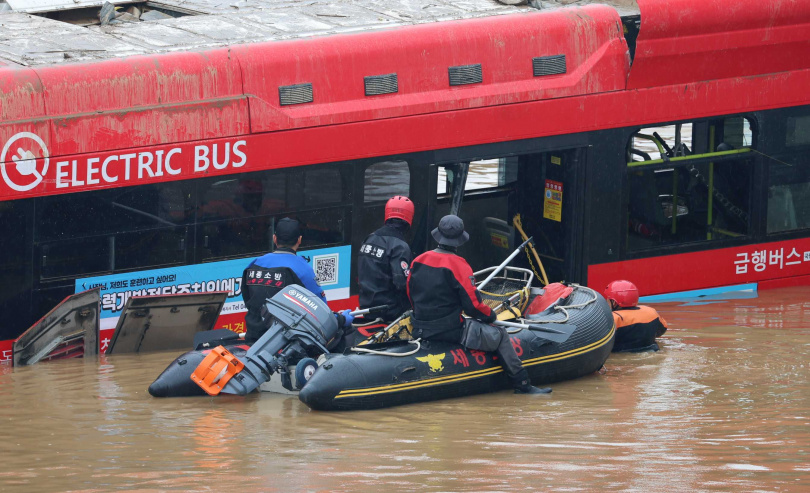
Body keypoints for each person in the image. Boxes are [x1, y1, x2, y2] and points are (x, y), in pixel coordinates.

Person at [407, 214, 551, 394]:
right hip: (450, 331)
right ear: (459, 240)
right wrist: (490, 316)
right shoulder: (460, 266)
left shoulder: (418, 260)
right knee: (500, 335)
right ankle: (522, 384)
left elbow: (410, 295)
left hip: (420, 327)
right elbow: (473, 307)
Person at [242, 217, 352, 342]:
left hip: (253, 339)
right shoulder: (302, 269)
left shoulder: (254, 264)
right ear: (299, 240)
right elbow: (322, 314)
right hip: (284, 345)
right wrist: (341, 319)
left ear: (274, 238)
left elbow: (249, 301)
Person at [358, 196, 414, 323]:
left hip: (366, 306)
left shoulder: (370, 238)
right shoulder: (400, 246)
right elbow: (402, 283)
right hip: (390, 311)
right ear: (409, 219)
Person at [604, 280, 668, 352]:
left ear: (614, 302)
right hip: (652, 351)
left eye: (608, 300)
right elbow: (662, 330)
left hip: (621, 357)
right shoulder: (651, 312)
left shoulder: (611, 319)